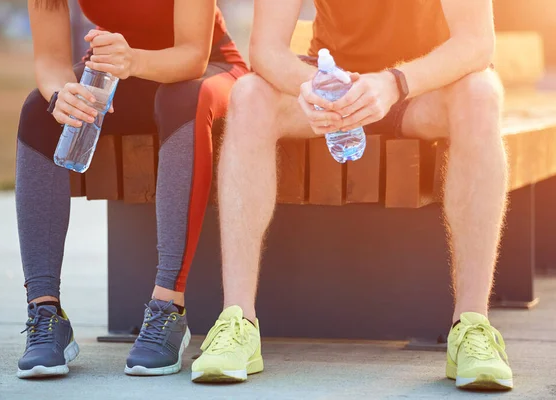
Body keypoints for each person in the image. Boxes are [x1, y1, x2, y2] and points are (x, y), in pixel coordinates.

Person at [192, 0, 514, 390]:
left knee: (481, 94)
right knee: (249, 96)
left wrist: (393, 82)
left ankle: (472, 327)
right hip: (334, 91)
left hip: (422, 86)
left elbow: (477, 43)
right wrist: (311, 89)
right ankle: (237, 320)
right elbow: (266, 50)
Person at [15, 0, 247, 378]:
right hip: (120, 73)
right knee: (38, 111)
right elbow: (50, 60)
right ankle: (45, 311)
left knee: (183, 98)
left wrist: (132, 61)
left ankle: (168, 310)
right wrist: (62, 94)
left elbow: (192, 56)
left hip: (208, 70)